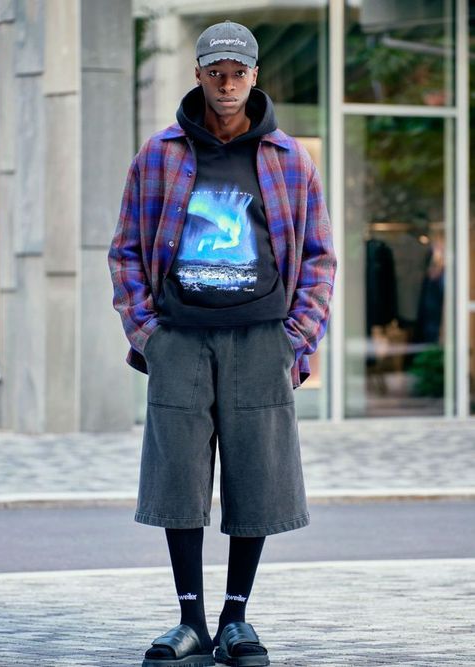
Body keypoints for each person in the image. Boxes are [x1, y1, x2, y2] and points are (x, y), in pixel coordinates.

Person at [108, 19, 337, 667]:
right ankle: (190, 621)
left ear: (255, 76)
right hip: (180, 338)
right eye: (217, 72)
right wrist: (147, 334)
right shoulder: (159, 155)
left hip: (262, 340)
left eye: (238, 72)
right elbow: (125, 251)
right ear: (199, 75)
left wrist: (296, 337)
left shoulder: (290, 160)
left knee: (257, 478)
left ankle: (236, 618)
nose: (228, 83)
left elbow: (319, 257)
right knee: (178, 480)